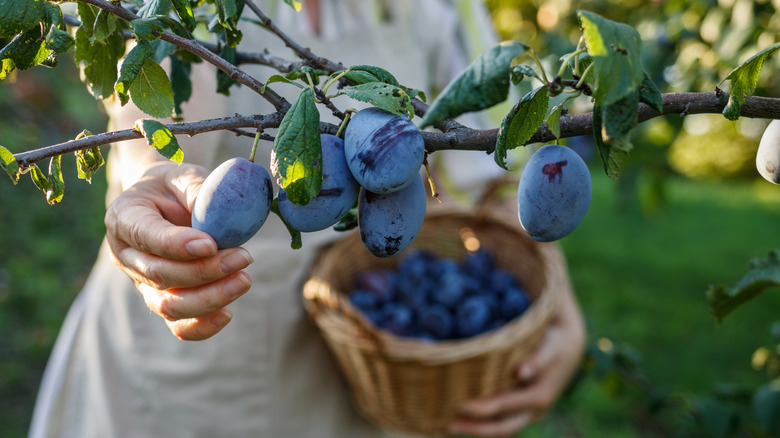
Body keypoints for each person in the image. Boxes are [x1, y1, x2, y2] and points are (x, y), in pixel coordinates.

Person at [30, 0, 586, 437]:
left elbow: (498, 150)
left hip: (364, 351)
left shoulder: (437, 4)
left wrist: (558, 305)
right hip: (189, 363)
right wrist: (150, 179)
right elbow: (156, 110)